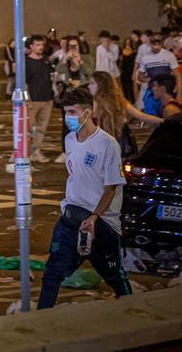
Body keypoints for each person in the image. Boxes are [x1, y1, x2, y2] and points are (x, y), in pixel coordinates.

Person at [36, 87, 132, 309]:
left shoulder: (107, 145)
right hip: (71, 218)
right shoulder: (70, 140)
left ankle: (131, 311)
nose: (67, 117)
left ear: (87, 112)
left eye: (72, 112)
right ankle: (40, 318)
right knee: (52, 273)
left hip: (101, 224)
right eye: (65, 112)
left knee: (114, 276)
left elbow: (111, 187)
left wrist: (94, 218)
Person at [88, 71, 161, 160]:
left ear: (101, 85)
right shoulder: (92, 101)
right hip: (101, 144)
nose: (88, 86)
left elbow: (141, 116)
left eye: (92, 83)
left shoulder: (117, 101)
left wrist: (163, 121)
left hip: (118, 141)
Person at [23, 35, 55, 162]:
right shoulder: (26, 62)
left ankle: (36, 151)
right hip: (33, 99)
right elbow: (23, 82)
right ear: (31, 46)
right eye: (37, 45)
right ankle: (24, 152)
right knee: (28, 128)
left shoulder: (46, 60)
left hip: (47, 98)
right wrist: (27, 99)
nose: (40, 47)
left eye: (42, 45)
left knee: (42, 127)